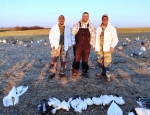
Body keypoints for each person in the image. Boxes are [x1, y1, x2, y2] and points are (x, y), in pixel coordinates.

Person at [94, 14, 118, 82]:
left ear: (108, 20)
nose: (104, 20)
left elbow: (115, 39)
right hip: (99, 49)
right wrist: (94, 46)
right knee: (99, 62)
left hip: (107, 49)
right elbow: (95, 38)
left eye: (106, 19)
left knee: (107, 63)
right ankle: (101, 72)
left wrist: (112, 46)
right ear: (102, 20)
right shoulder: (98, 28)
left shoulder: (111, 28)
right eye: (103, 19)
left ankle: (108, 75)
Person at [72, 12, 95, 78]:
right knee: (77, 58)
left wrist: (91, 43)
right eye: (84, 16)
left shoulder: (90, 25)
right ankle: (75, 71)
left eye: (87, 16)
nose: (85, 17)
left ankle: (84, 71)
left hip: (86, 45)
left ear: (88, 17)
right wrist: (74, 43)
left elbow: (93, 35)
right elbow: (72, 34)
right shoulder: (77, 24)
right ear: (82, 17)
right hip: (78, 44)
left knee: (85, 58)